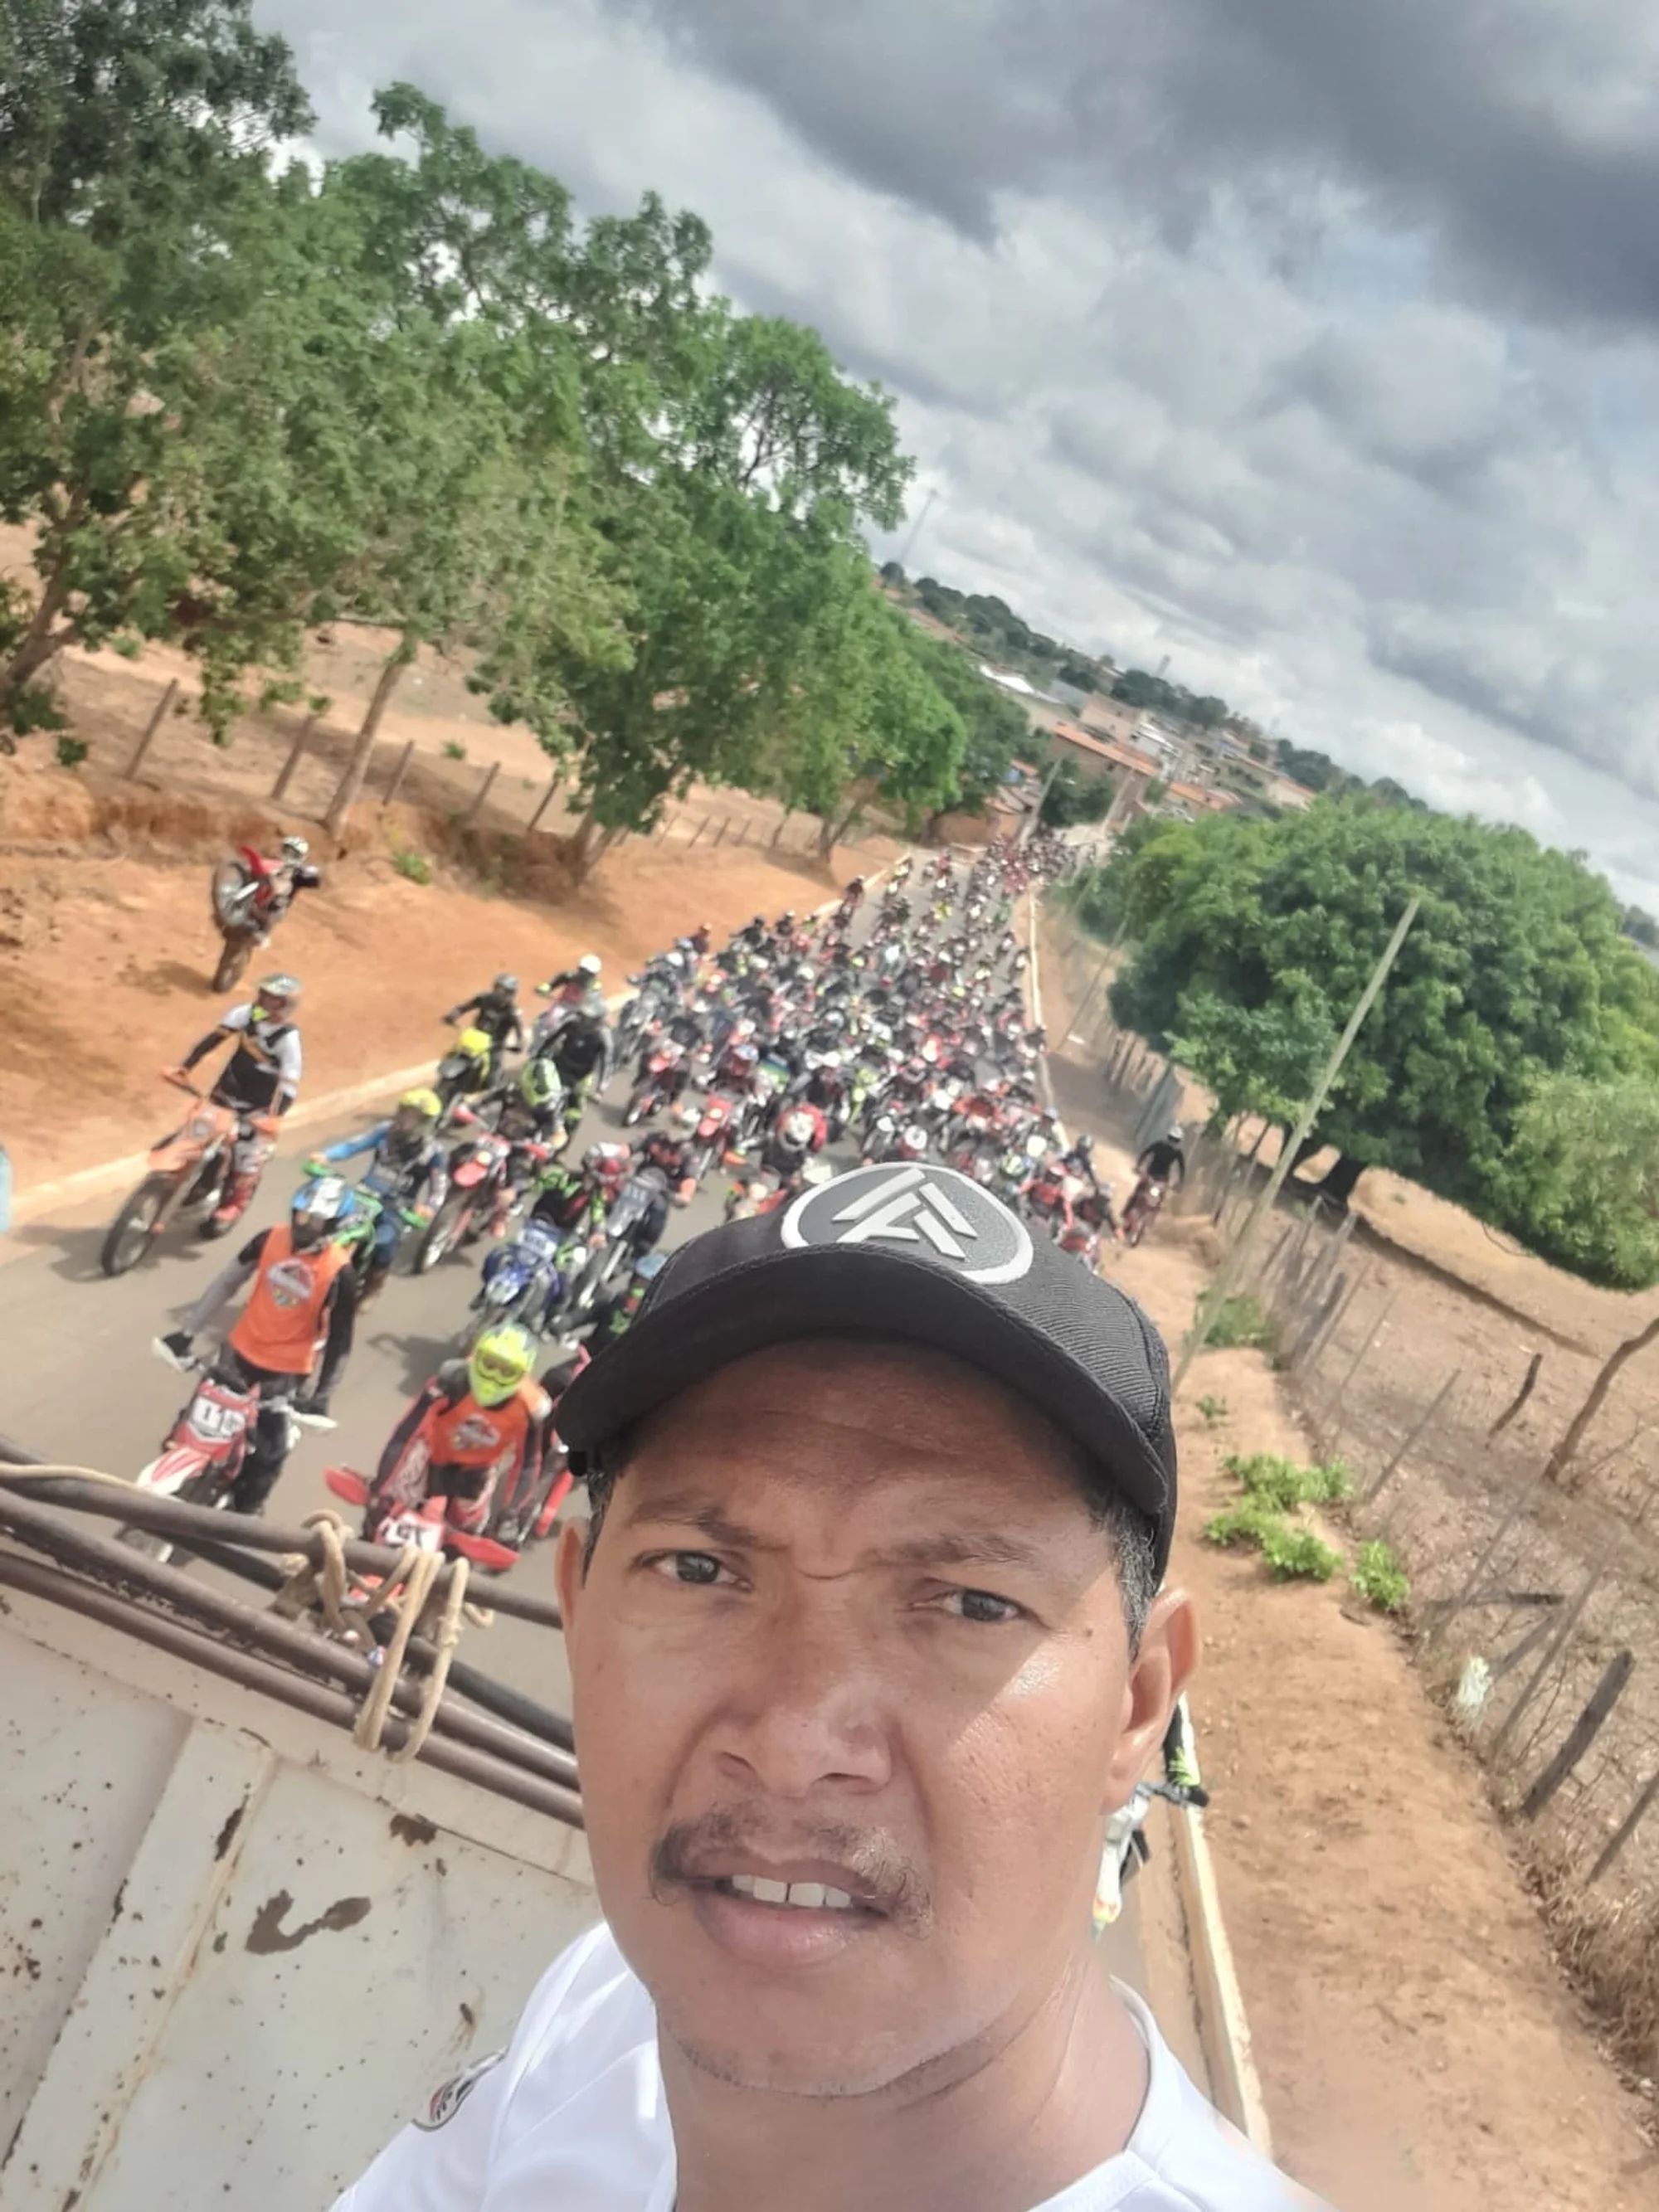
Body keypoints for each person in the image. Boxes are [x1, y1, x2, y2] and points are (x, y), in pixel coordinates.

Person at [334, 1165, 1319, 2212]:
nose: (792, 1743)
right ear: (578, 1616)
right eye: (697, 1570)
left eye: (971, 1604)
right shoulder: (597, 2011)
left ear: (1137, 1703)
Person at [156, 1176, 358, 1514]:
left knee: (268, 1452)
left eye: (315, 1221)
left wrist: (323, 1395)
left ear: (335, 1225)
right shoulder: (269, 1239)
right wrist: (187, 1332)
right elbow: (226, 1283)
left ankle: (248, 1511)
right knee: (192, 1423)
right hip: (238, 1351)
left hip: (285, 1371)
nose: (303, 1227)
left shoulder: (340, 1273)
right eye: (301, 1216)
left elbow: (340, 1341)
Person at [369, 1325, 553, 1542]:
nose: (493, 1377)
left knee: (467, 1529)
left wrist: (510, 1513)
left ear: (523, 1375)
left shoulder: (530, 1408)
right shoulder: (450, 1381)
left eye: (506, 1371)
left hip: (476, 1471)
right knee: (384, 1510)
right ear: (476, 1357)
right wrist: (383, 1487)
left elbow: (527, 1464)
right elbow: (405, 1435)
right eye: (489, 1364)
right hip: (430, 1455)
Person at [166, 972, 304, 1228]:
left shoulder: (288, 1039)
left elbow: (289, 1082)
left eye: (272, 999)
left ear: (285, 1005)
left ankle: (235, 1202)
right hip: (224, 1094)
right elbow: (213, 1040)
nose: (263, 1001)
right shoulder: (245, 1014)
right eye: (263, 995)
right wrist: (184, 1068)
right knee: (195, 1129)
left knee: (246, 1156)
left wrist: (275, 1118)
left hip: (255, 1108)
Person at [308, 1088, 449, 1302]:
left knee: (385, 1243)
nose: (406, 1120)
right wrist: (326, 1156)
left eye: (414, 1117)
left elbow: (439, 1188)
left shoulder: (432, 1152)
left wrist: (429, 1208)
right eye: (405, 1112)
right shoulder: (385, 1131)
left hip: (397, 1207)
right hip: (363, 1194)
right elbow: (352, 1146)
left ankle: (373, 1287)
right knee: (325, 1221)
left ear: (426, 1123)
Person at [575, 1249, 669, 1351]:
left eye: (642, 1284)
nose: (634, 1286)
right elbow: (587, 1315)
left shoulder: (651, 1322)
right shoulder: (616, 1302)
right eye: (634, 1279)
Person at [443, 975, 524, 1072]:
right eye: (498, 989)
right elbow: (463, 1008)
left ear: (511, 994)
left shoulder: (512, 1012)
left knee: (494, 1070)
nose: (500, 993)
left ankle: (493, 1080)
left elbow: (519, 1031)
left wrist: (519, 1043)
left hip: (494, 1044)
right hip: (475, 1036)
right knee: (454, 1053)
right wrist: (453, 1015)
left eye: (504, 991)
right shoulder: (484, 998)